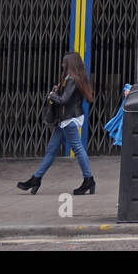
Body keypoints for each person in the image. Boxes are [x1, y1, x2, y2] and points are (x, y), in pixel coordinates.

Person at [18, 51, 97, 196]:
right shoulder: (74, 78)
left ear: (69, 64)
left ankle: (89, 179)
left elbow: (64, 100)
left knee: (78, 149)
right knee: (51, 150)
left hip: (69, 119)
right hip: (65, 119)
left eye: (64, 63)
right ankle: (36, 178)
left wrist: (52, 95)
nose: (62, 65)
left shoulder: (72, 79)